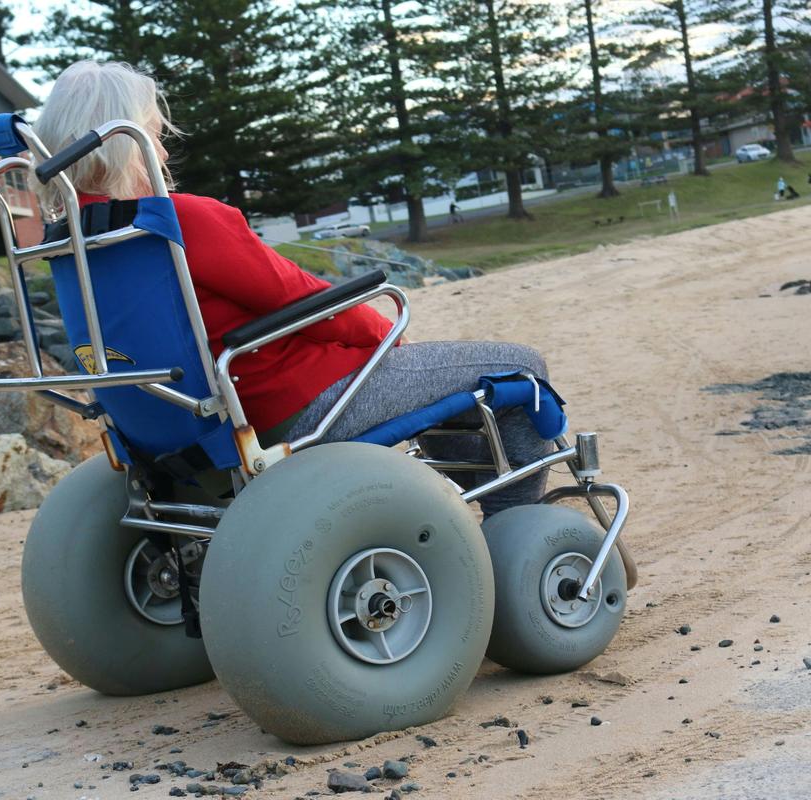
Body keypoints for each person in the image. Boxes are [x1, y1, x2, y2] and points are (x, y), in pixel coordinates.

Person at [34, 61, 552, 515]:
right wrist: (383, 332)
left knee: (435, 384)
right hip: (283, 406)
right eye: (155, 136)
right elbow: (300, 298)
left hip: (170, 429)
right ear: (126, 147)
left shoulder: (70, 244)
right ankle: (512, 528)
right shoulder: (180, 223)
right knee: (520, 367)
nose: (164, 156)